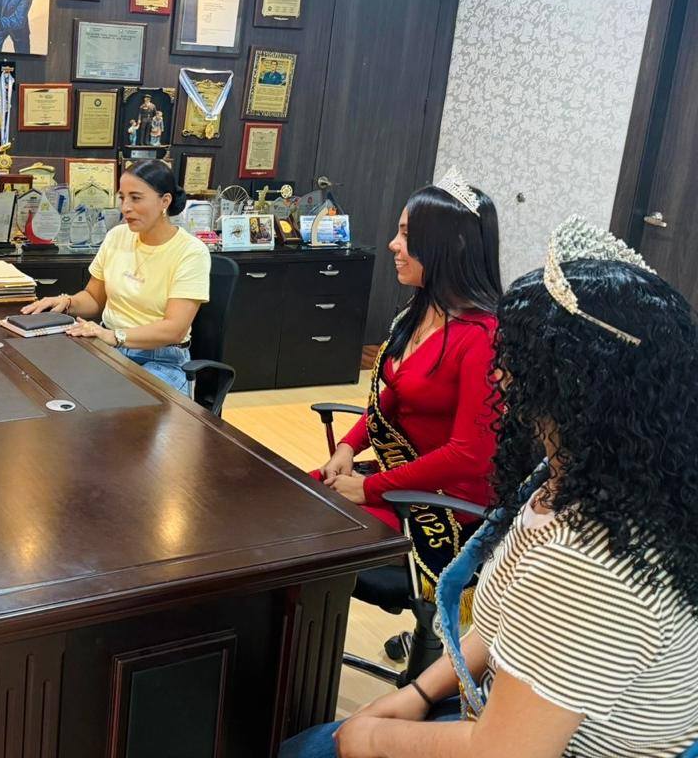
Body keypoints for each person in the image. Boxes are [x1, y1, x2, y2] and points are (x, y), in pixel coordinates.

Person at [281, 218, 698, 758]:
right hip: (503, 712)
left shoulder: (588, 563)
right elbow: (504, 625)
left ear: (567, 383)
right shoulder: (579, 477)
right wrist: (418, 693)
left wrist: (374, 737)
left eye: (514, 357)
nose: (499, 374)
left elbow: (506, 750)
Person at [316, 169, 502, 535]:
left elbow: (468, 455)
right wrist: (348, 446)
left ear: (453, 245)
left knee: (312, 528)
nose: (392, 244)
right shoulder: (422, 309)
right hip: (399, 477)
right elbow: (399, 394)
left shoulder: (485, 336)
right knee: (288, 495)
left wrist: (370, 488)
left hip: (444, 506)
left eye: (407, 235)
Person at [21, 160, 210, 393]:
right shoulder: (117, 236)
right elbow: (94, 298)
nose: (125, 207)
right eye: (122, 198)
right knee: (48, 387)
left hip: (162, 358)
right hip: (108, 347)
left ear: (165, 201)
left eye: (136, 198)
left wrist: (114, 336)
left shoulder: (191, 251)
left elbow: (175, 329)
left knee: (122, 405)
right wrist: (66, 302)